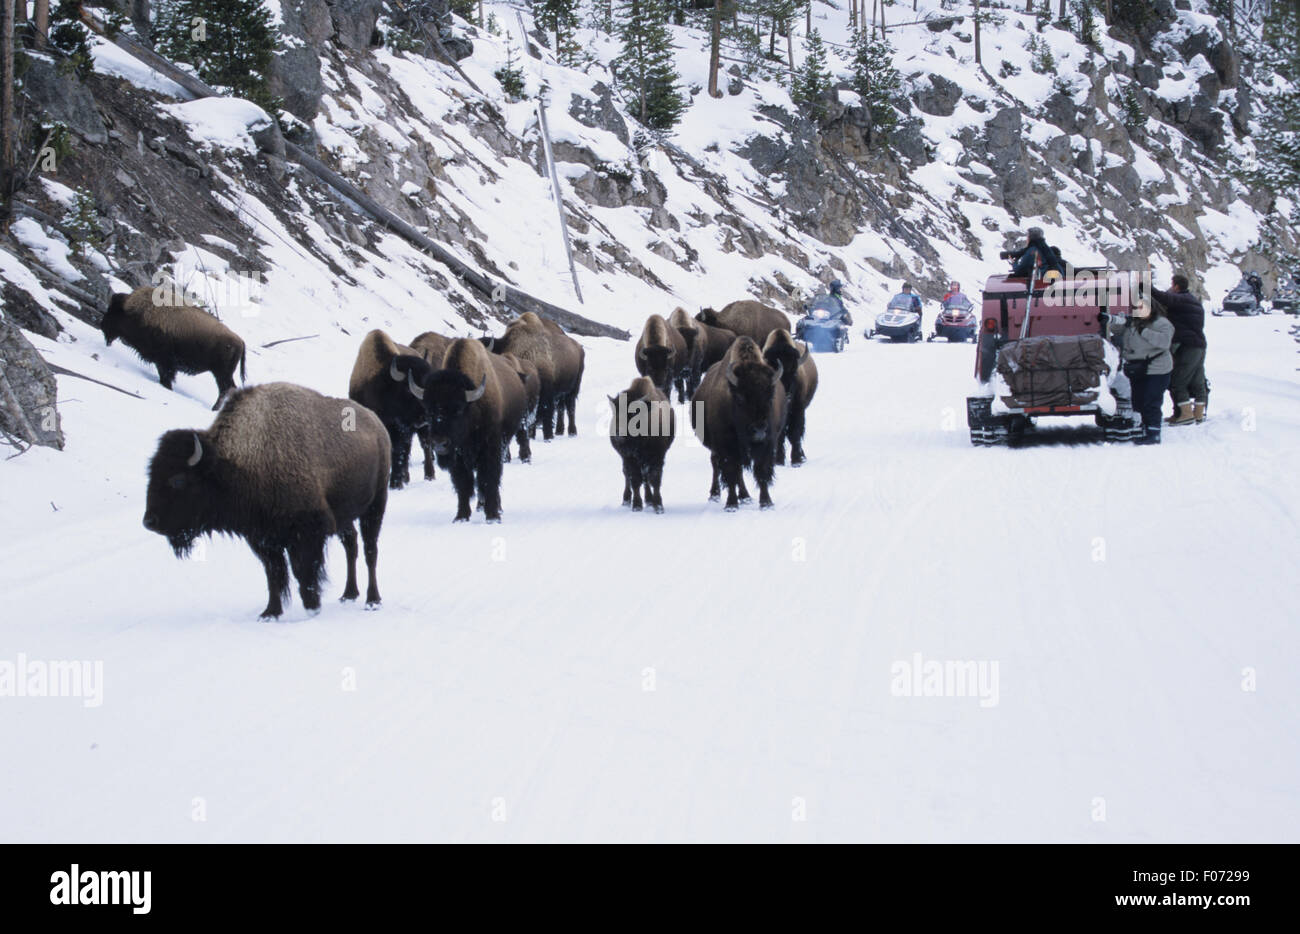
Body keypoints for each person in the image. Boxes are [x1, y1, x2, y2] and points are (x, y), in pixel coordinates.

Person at [1115, 298, 1175, 445]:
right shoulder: (1134, 323)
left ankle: (1154, 432)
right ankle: (1145, 426)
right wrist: (1115, 321)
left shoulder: (1162, 324)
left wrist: (1144, 331)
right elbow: (1118, 331)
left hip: (1157, 368)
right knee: (1138, 400)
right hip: (1137, 368)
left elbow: (1164, 342)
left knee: (1151, 400)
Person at [1152, 273, 1208, 425]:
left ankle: (1185, 415)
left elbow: (1165, 298)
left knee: (1177, 380)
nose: (1170, 288)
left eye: (1172, 285)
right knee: (1197, 381)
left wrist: (1146, 287)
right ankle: (1197, 414)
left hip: (1188, 346)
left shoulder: (1182, 299)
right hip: (1200, 345)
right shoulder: (1193, 301)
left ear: (1176, 286)